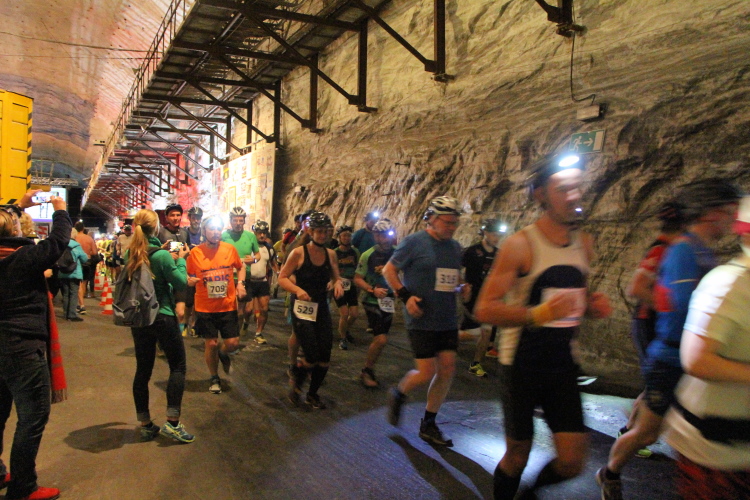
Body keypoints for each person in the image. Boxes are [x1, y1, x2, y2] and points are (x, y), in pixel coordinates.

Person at [473, 153, 612, 499]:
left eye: (577, 187)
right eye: (563, 189)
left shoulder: (584, 243)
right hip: (522, 364)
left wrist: (591, 306)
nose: (573, 195)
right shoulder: (521, 245)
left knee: (572, 461)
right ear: (541, 195)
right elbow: (485, 308)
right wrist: (538, 315)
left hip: (562, 364)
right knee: (517, 455)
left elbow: (575, 299)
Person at [596, 178, 741, 500]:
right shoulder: (683, 251)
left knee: (680, 430)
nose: (734, 219)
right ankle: (610, 472)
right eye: (729, 211)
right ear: (711, 213)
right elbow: (682, 309)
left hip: (681, 359)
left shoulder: (701, 251)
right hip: (672, 359)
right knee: (647, 434)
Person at [663, 195, 750, 500]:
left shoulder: (700, 253)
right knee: (644, 427)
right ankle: (612, 471)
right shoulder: (726, 281)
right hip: (714, 445)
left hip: (734, 440)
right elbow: (697, 359)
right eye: (721, 212)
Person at [383, 196, 469, 446]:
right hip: (421, 317)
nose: (452, 227)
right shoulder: (414, 242)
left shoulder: (454, 247)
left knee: (448, 369)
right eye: (447, 222)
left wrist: (461, 288)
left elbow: (451, 278)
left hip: (447, 317)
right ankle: (399, 392)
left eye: (455, 223)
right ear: (431, 219)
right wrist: (405, 296)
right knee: (426, 371)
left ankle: (429, 423)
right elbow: (389, 270)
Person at [0, 191, 69, 500]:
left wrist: (17, 206)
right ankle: (23, 486)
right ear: (14, 229)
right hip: (23, 347)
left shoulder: (13, 256)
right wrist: (60, 209)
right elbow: (58, 241)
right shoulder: (23, 258)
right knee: (32, 416)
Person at [620, 200, 686, 458]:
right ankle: (632, 435)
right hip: (649, 323)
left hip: (653, 324)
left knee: (655, 382)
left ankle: (631, 431)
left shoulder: (671, 249)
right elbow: (636, 288)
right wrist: (671, 310)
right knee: (659, 381)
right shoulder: (662, 250)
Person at [123, 210, 194, 444]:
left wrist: (163, 251)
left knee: (143, 370)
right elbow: (181, 282)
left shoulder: (131, 253)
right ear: (156, 228)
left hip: (140, 319)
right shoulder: (162, 256)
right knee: (178, 366)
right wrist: (181, 259)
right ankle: (173, 423)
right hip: (162, 315)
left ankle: (145, 424)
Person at [278, 212, 344, 409]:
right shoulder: (299, 253)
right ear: (311, 231)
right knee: (311, 353)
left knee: (325, 355)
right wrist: (297, 290)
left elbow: (336, 276)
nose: (323, 235)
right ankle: (297, 386)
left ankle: (312, 394)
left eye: (325, 231)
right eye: (319, 231)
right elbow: (282, 277)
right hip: (302, 306)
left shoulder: (330, 254)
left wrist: (337, 283)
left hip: (320, 305)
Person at [187, 215, 246, 394]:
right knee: (211, 343)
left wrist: (240, 283)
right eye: (212, 229)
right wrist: (189, 280)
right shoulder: (196, 253)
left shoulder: (229, 249)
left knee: (233, 343)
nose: (215, 232)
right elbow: (187, 274)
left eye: (218, 229)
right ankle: (214, 377)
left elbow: (240, 266)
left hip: (227, 305)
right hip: (205, 306)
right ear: (204, 231)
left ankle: (223, 352)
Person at [354, 219, 397, 388]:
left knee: (381, 339)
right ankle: (367, 371)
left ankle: (369, 369)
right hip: (372, 300)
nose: (385, 239)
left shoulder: (398, 253)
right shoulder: (368, 255)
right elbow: (358, 278)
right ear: (376, 236)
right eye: (381, 235)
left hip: (389, 301)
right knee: (381, 339)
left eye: (387, 235)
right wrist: (372, 290)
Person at [460, 218, 504, 378]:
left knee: (486, 331)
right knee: (472, 333)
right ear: (485, 233)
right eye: (494, 234)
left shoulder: (499, 254)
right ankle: (444, 340)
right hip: (472, 298)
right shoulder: (472, 251)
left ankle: (476, 363)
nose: (497, 238)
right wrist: (463, 286)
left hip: (488, 299)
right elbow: (456, 268)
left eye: (499, 235)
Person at [221, 207, 260, 336]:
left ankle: (235, 334)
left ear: (244, 221)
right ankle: (228, 334)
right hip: (227, 277)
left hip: (244, 277)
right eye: (235, 220)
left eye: (241, 220)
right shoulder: (224, 236)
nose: (238, 223)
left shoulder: (250, 236)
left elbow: (258, 255)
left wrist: (253, 260)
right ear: (230, 221)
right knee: (229, 309)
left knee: (241, 310)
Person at [158, 204, 189, 335]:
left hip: (180, 274)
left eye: (178, 215)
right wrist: (165, 254)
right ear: (166, 217)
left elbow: (187, 252)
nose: (176, 218)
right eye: (172, 215)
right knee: (166, 314)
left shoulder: (184, 233)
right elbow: (154, 252)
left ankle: (176, 338)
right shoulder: (160, 233)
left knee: (181, 313)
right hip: (165, 277)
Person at [246, 220, 277, 344]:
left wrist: (279, 274)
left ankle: (259, 333)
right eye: (259, 233)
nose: (262, 235)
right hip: (249, 281)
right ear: (255, 233)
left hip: (262, 282)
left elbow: (273, 264)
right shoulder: (249, 246)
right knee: (248, 310)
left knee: (264, 309)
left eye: (264, 233)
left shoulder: (269, 248)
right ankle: (245, 322)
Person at [334, 225, 360, 350]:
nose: (346, 238)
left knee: (354, 314)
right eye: (344, 235)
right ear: (339, 237)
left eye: (349, 235)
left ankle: (345, 329)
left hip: (351, 285)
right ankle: (343, 338)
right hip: (339, 286)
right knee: (344, 313)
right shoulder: (334, 252)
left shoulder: (355, 252)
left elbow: (358, 267)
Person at [58, 228, 89, 322]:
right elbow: (84, 259)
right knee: (73, 293)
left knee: (66, 294)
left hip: (63, 272)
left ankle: (66, 313)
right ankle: (72, 314)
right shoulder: (76, 246)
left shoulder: (61, 245)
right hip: (74, 273)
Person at [184, 207, 204, 337]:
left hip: (201, 270)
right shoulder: (184, 233)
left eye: (198, 218)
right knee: (188, 302)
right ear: (189, 218)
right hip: (188, 270)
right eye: (194, 217)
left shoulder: (204, 233)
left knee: (198, 301)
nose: (196, 220)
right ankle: (185, 323)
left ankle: (194, 324)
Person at [74, 222, 97, 310]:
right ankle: (81, 302)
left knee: (75, 282)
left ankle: (75, 302)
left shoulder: (74, 238)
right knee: (84, 282)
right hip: (86, 261)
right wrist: (87, 253)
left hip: (75, 261)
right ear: (83, 228)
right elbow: (94, 252)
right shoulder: (89, 238)